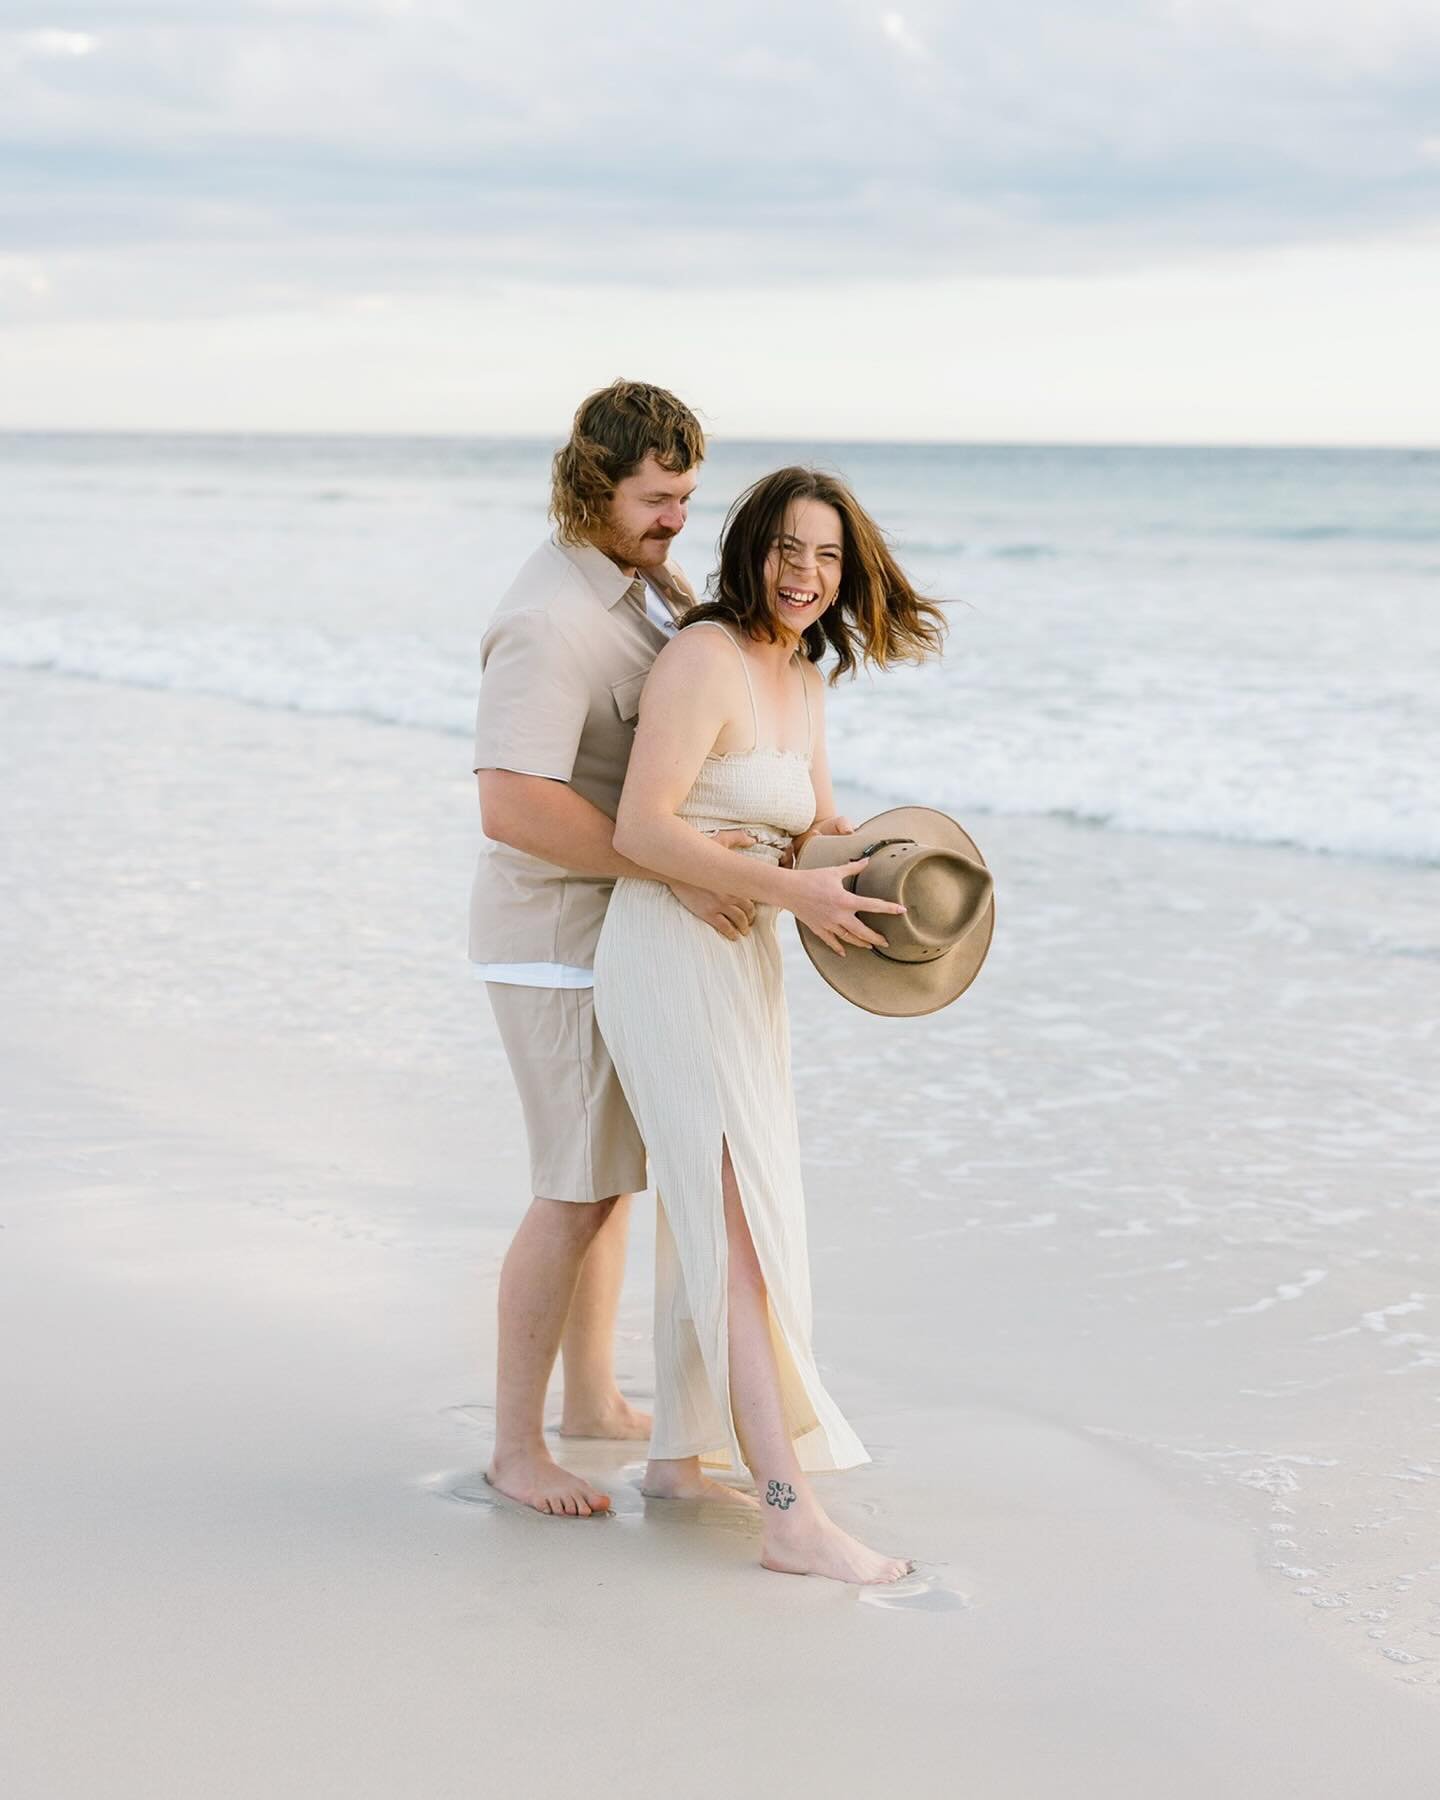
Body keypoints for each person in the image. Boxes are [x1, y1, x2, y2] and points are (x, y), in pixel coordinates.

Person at [593, 465, 947, 1583]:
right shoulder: (704, 658)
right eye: (788, 550)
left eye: (827, 557)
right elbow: (639, 828)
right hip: (665, 955)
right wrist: (795, 892)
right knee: (737, 1223)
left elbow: (805, 827)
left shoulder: (803, 676)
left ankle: (674, 1458)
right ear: (751, 551)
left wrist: (851, 867)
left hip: (744, 968)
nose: (805, 575)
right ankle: (788, 1514)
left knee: (732, 1205)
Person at [471, 380, 758, 1518]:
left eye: (688, 496)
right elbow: (512, 805)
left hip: (612, 931)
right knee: (571, 1192)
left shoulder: (637, 583)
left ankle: (590, 1399)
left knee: (610, 1183)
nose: (679, 518)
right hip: (552, 940)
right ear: (595, 486)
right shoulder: (548, 621)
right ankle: (514, 1446)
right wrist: (684, 868)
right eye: (658, 497)